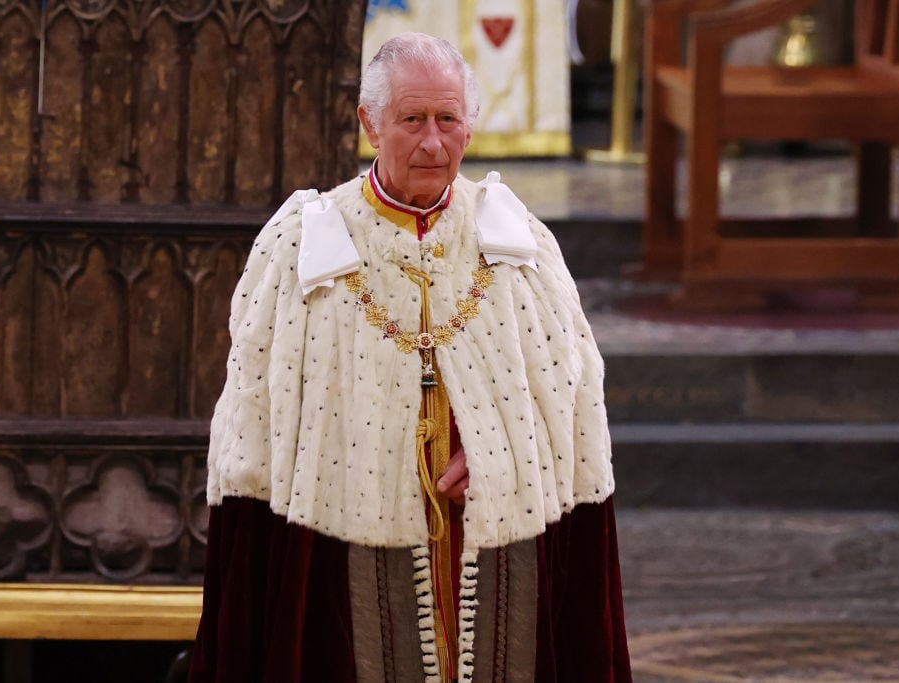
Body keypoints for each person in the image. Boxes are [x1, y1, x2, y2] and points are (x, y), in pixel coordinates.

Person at [187, 32, 631, 683]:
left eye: (448, 120)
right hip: (343, 548)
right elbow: (253, 419)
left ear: (470, 126)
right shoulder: (299, 245)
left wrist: (499, 450)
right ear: (370, 123)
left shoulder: (518, 242)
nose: (432, 143)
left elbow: (573, 395)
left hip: (486, 539)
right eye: (412, 120)